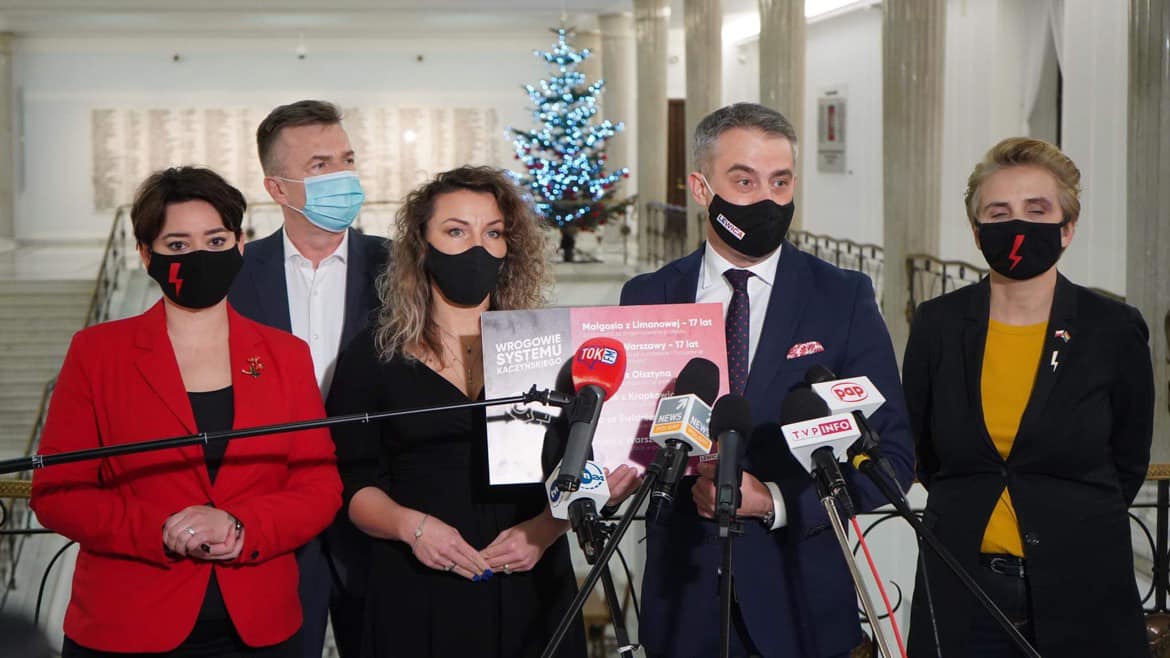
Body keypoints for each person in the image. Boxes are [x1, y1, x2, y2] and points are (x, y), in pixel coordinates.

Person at [620, 102, 915, 657]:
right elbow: (630, 446)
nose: (767, 200)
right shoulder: (648, 296)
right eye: (744, 181)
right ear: (702, 188)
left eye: (780, 182)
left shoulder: (842, 297)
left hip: (802, 608)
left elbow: (894, 460)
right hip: (683, 610)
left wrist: (775, 502)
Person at [31, 166, 341, 656]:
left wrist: (241, 526)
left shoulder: (286, 355)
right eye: (177, 245)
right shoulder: (97, 353)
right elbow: (58, 492)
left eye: (216, 241)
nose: (200, 256)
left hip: (260, 626)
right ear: (145, 255)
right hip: (126, 624)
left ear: (240, 245)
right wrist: (163, 529)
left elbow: (319, 486)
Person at [328, 165, 633, 658]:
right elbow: (350, 483)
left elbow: (585, 467)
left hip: (531, 587)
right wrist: (413, 528)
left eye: (493, 233)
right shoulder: (373, 354)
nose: (478, 248)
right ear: (421, 245)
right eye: (456, 231)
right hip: (416, 589)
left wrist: (543, 531)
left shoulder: (549, 348)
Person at [903, 137, 1153, 657]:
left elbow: (1128, 460)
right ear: (977, 232)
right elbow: (922, 449)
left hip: (1085, 587)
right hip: (961, 588)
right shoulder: (937, 324)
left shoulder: (1113, 329)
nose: (1017, 225)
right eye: (999, 212)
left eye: (1036, 210)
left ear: (1067, 228)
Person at [228, 99, 387, 658]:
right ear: (277, 188)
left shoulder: (400, 270)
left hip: (379, 510)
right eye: (320, 165)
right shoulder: (233, 275)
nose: (342, 176)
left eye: (347, 160)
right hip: (273, 516)